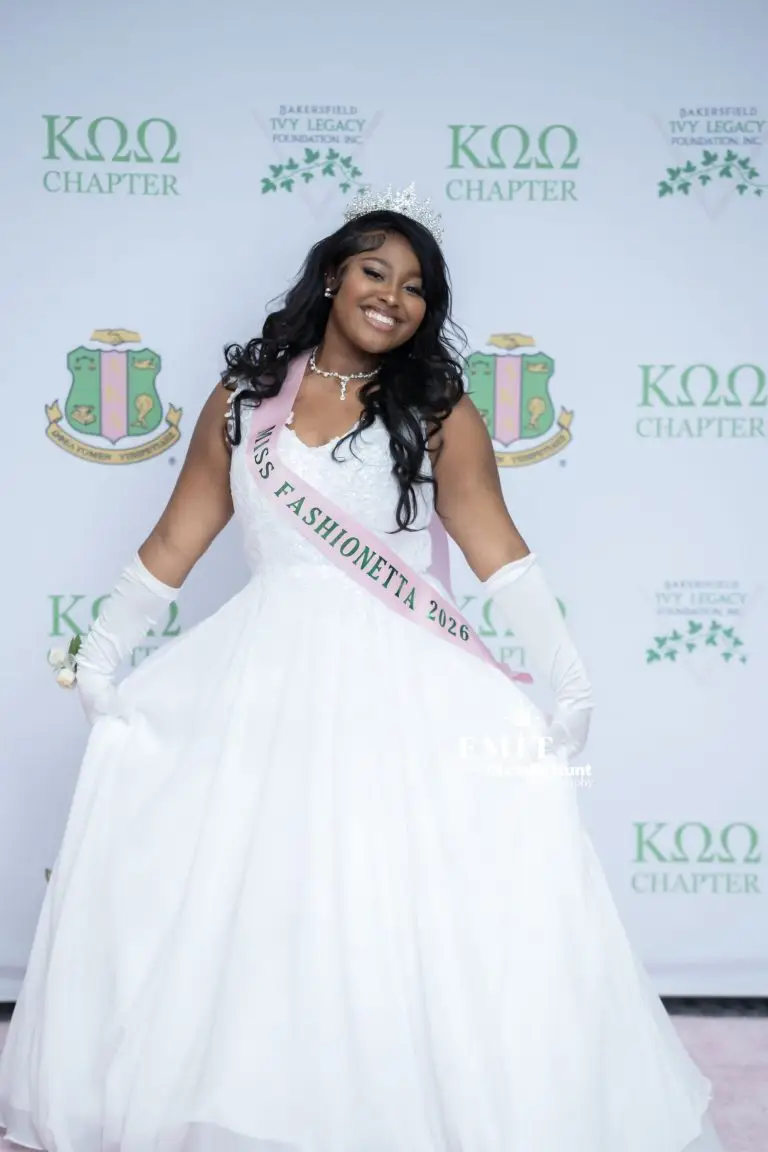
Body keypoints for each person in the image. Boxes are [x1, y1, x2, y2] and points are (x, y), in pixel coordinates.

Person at [0, 185, 725, 1152]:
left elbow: (497, 550)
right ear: (334, 275)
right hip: (264, 683)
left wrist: (569, 674)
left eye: (417, 287)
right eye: (376, 271)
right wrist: (103, 649)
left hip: (405, 688)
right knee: (267, 911)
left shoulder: (436, 409)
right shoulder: (245, 403)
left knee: (398, 910)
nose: (394, 296)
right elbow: (178, 535)